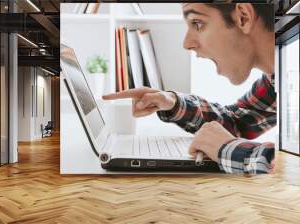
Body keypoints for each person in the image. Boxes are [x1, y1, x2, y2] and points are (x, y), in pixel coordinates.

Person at [103, 3, 276, 174]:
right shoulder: (275, 81)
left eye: (198, 23)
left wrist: (228, 149)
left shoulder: (299, 70)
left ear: (243, 17)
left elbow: (296, 168)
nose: (186, 44)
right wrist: (172, 103)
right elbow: (238, 123)